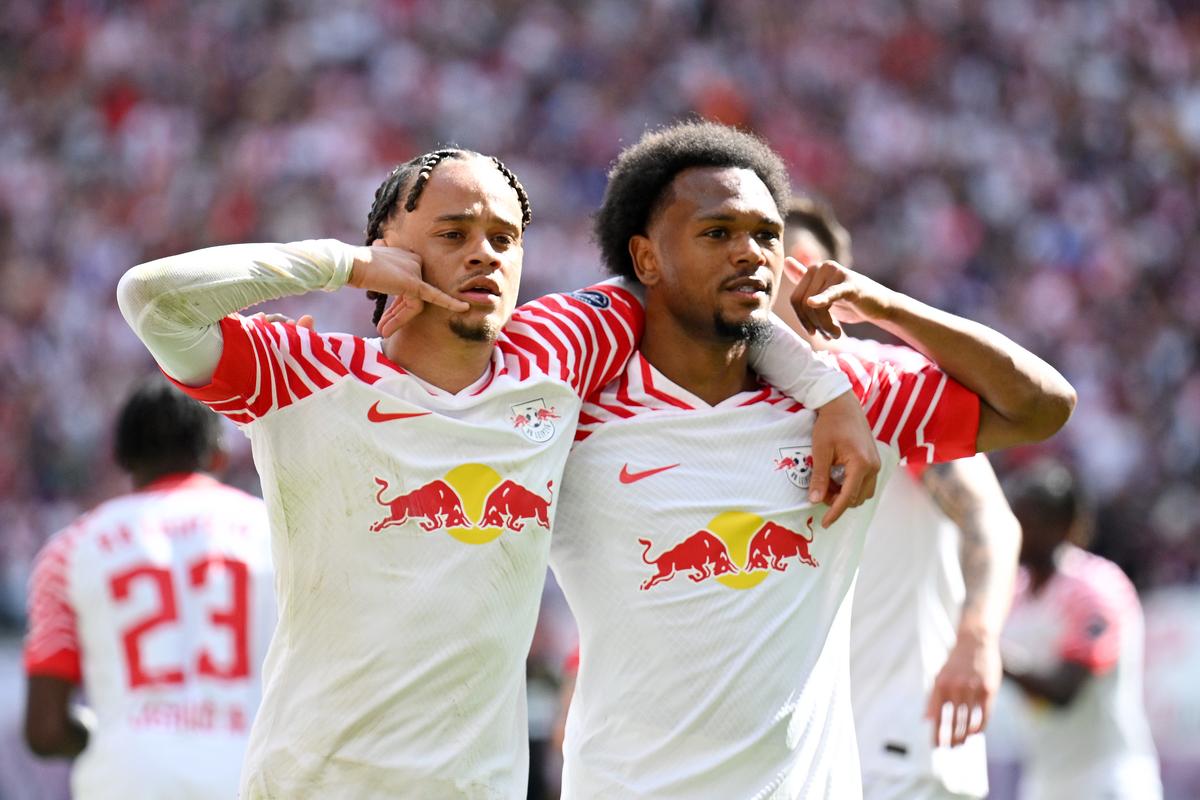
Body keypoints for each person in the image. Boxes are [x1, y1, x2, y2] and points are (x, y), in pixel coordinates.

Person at [117, 147, 874, 797]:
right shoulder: (306, 374)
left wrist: (826, 390)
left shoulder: (560, 350)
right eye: (454, 233)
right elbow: (151, 299)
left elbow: (699, 298)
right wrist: (343, 264)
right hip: (318, 780)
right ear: (391, 245)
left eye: (505, 237)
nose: (485, 253)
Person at [549, 121, 1076, 798]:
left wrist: (886, 306)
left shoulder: (857, 397)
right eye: (718, 233)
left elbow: (1043, 406)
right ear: (647, 259)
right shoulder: (575, 409)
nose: (751, 255)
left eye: (765, 236)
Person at [776, 198, 1022, 800]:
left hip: (905, 735)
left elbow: (990, 520)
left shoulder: (883, 392)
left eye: (805, 262)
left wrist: (978, 638)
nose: (790, 277)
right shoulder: (750, 414)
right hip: (813, 756)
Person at [22, 374, 275, 799]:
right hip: (250, 773)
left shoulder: (69, 551)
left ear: (121, 457)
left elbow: (45, 731)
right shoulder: (276, 534)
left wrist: (105, 736)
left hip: (126, 779)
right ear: (217, 454)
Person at [1001, 459, 1162, 800]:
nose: (1013, 530)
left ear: (1062, 525)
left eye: (1025, 520)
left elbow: (1065, 691)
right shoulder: (1013, 592)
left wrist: (985, 651)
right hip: (1045, 782)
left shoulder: (1096, 589)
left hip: (1107, 781)